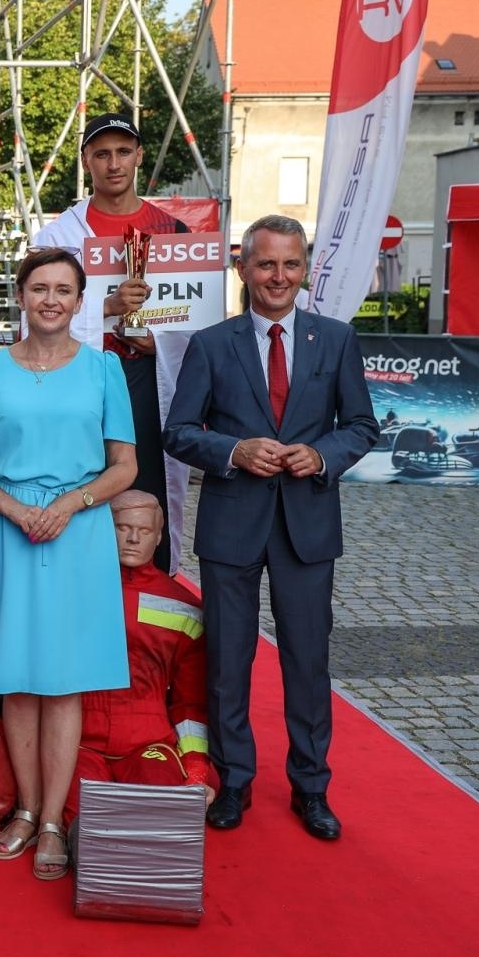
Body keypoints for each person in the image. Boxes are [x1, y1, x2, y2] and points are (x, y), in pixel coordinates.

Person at [164, 214, 379, 840]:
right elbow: (179, 431)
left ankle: (311, 787)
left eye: (289, 264)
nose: (278, 276)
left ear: (305, 268)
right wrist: (232, 452)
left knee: (307, 663)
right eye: (265, 264)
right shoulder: (211, 344)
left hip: (307, 526)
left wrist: (323, 456)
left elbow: (362, 426)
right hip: (233, 525)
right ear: (243, 268)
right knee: (228, 662)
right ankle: (233, 781)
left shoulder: (335, 340)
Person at [0, 246, 136, 880]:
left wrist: (71, 503)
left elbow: (126, 465)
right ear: (21, 297)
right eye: (39, 288)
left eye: (63, 290)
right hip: (7, 530)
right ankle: (26, 811)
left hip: (77, 530)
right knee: (17, 678)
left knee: (65, 680)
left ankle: (54, 819)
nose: (51, 299)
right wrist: (12, 508)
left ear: (80, 302)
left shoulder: (105, 369)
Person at [31, 112, 191, 572]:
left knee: (147, 486)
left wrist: (157, 343)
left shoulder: (174, 233)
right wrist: (104, 308)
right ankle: (73, 581)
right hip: (80, 381)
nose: (114, 163)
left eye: (123, 151)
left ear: (139, 156)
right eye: (102, 153)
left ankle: (151, 593)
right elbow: (35, 313)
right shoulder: (58, 237)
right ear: (86, 161)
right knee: (75, 483)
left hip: (147, 379)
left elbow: (196, 321)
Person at [61, 490, 218, 829]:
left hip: (148, 741)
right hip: (78, 738)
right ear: (105, 529)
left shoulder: (184, 606)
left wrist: (195, 769)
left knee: (161, 806)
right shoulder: (70, 590)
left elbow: (190, 703)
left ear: (159, 536)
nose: (133, 538)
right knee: (81, 811)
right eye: (122, 527)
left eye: (144, 531)